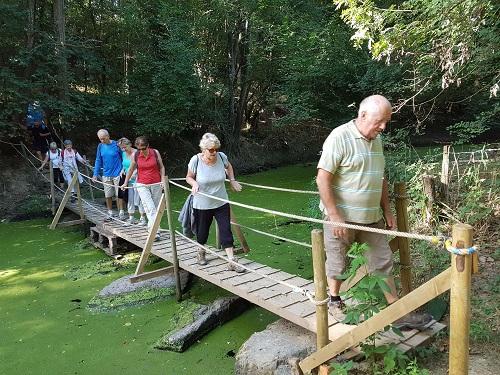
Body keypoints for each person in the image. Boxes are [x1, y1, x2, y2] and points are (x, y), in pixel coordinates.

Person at [316, 94, 432, 329]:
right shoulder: (339, 137)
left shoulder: (376, 140)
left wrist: (387, 210)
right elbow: (322, 179)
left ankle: (396, 313)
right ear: (363, 115)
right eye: (380, 121)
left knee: (383, 261)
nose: (383, 127)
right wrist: (335, 215)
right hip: (342, 219)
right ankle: (335, 301)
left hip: (371, 218)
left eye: (387, 122)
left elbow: (380, 177)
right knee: (338, 262)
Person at [185, 133, 244, 273]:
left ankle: (232, 261)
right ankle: (201, 251)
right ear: (203, 150)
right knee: (202, 231)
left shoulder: (222, 157)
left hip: (221, 201)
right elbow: (188, 177)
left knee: (226, 230)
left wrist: (232, 180)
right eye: (211, 150)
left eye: (216, 148)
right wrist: (194, 184)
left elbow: (229, 167)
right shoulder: (196, 160)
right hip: (202, 204)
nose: (214, 152)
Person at [121, 136, 165, 240]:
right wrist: (125, 182)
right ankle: (156, 232)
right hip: (141, 184)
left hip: (156, 183)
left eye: (143, 148)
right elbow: (131, 169)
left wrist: (163, 179)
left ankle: (151, 228)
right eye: (139, 149)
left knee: (156, 208)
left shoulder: (155, 152)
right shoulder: (135, 155)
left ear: (148, 146)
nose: (141, 151)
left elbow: (162, 167)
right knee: (150, 208)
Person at [92, 129, 125, 221]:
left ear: (108, 136)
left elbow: (124, 157)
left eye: (103, 138)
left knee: (119, 194)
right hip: (106, 174)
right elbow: (98, 160)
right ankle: (110, 213)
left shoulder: (116, 144)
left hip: (118, 173)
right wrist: (95, 174)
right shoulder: (100, 146)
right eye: (100, 139)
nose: (102, 141)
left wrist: (124, 169)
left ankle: (121, 212)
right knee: (108, 195)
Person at [118, 137, 146, 226]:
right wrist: (122, 170)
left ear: (129, 144)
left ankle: (143, 219)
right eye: (121, 148)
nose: (123, 149)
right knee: (130, 198)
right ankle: (131, 218)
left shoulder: (137, 153)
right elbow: (125, 165)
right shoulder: (123, 153)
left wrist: (134, 174)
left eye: (124, 147)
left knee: (140, 199)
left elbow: (140, 166)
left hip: (138, 179)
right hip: (128, 179)